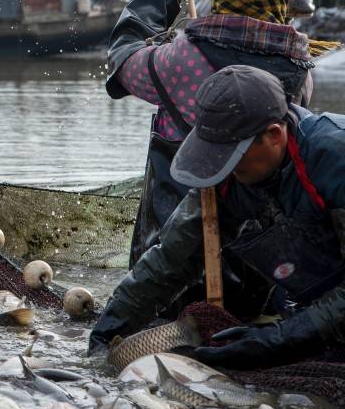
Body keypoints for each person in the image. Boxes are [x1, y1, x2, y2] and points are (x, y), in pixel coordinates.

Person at [89, 66, 345, 370]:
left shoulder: (334, 156)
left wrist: (279, 339)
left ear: (274, 135)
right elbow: (171, 258)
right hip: (309, 300)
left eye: (232, 157)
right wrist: (110, 328)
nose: (223, 167)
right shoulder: (226, 177)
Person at [106, 0, 316, 267]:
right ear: (280, 9)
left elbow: (122, 58)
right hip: (264, 262)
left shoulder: (178, 59)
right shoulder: (301, 71)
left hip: (168, 257)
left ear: (219, 1)